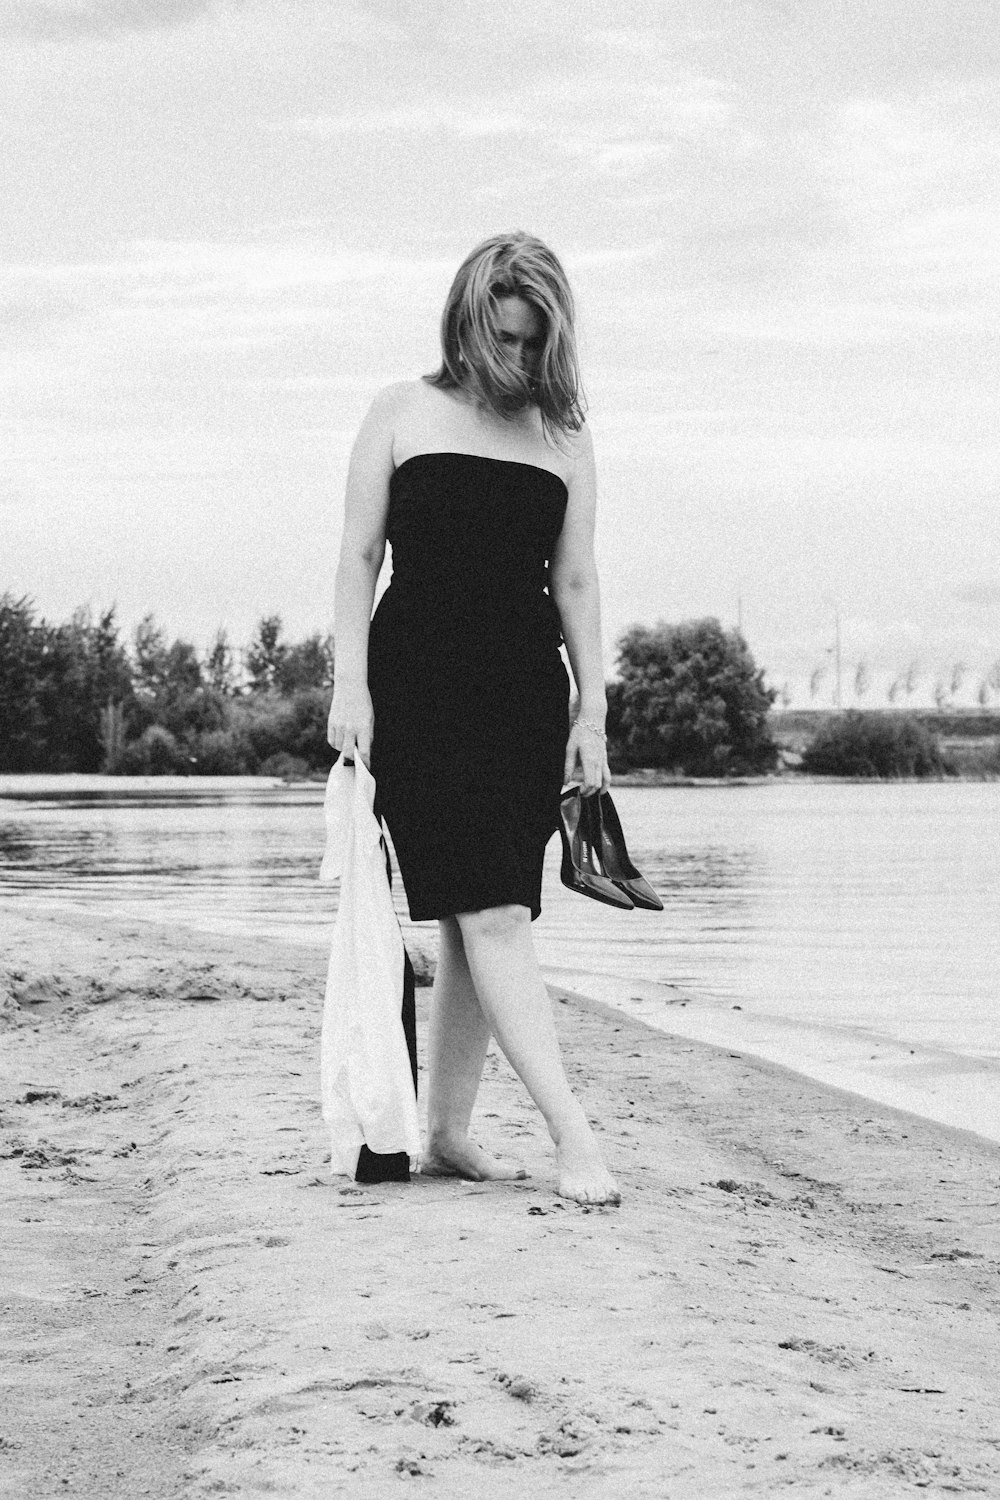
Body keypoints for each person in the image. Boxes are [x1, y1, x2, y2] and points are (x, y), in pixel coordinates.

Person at [327, 231, 620, 1206]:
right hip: (416, 693)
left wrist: (594, 715)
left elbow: (576, 581)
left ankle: (446, 1129)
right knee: (489, 910)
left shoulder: (565, 436)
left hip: (521, 698)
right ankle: (573, 1136)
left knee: (476, 918)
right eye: (503, 338)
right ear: (466, 323)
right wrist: (349, 687)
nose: (518, 361)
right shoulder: (401, 412)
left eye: (535, 344)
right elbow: (358, 558)